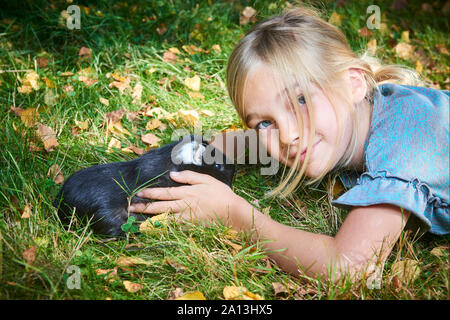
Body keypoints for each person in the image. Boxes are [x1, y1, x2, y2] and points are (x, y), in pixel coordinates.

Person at [128, 7, 449, 283]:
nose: (287, 136)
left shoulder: (408, 149)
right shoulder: (359, 113)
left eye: (300, 101)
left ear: (352, 82)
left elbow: (349, 268)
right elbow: (243, 143)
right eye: (265, 122)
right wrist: (199, 156)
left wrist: (235, 214)